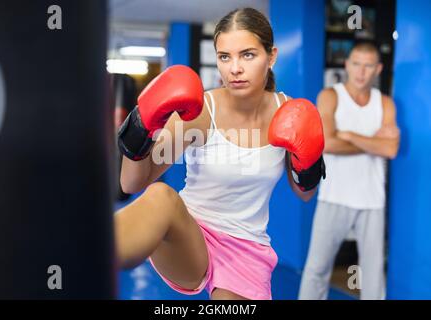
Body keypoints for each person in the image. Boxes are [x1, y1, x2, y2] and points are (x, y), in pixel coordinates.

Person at [115, 7, 325, 300]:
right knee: (160, 197)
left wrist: (311, 160)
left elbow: (305, 193)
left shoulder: (287, 113)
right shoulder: (201, 112)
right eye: (225, 56)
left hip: (246, 249)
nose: (234, 68)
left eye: (247, 55)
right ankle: (86, 256)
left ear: (272, 56)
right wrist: (140, 128)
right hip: (190, 234)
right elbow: (130, 184)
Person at [299, 42, 400, 300]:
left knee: (373, 275)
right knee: (316, 270)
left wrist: (350, 134)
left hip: (371, 201)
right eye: (356, 63)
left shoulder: (385, 103)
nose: (361, 71)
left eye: (368, 65)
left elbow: (390, 150)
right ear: (347, 65)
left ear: (377, 69)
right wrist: (373, 143)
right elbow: (327, 144)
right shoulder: (330, 96)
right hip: (334, 197)